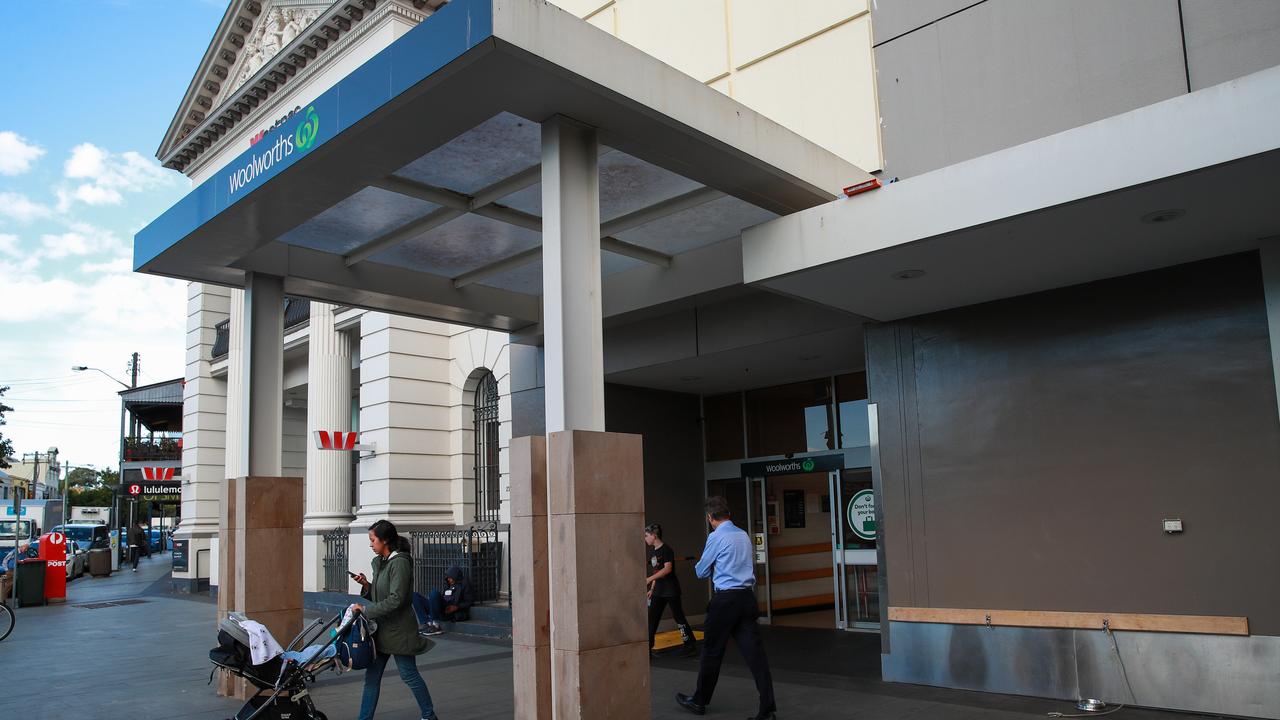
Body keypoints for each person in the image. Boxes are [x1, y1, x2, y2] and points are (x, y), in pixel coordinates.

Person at [676, 496, 776, 720]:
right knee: (756, 655)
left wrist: (707, 565)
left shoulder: (716, 537)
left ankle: (699, 701)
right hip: (746, 599)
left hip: (725, 601)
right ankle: (767, 707)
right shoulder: (743, 535)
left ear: (710, 517)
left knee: (712, 652)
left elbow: (701, 571)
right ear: (728, 514)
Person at [350, 519, 440, 720]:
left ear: (385, 540)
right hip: (380, 632)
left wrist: (365, 611)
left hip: (399, 632)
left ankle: (429, 715)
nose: (370, 544)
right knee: (371, 679)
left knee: (409, 675)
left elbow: (397, 599)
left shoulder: (399, 562)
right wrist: (366, 585)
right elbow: (381, 595)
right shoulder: (382, 562)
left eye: (373, 540)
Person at [645, 523, 697, 658]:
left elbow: (667, 569)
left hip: (670, 590)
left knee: (679, 617)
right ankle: (647, 648)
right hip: (658, 591)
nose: (645, 538)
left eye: (646, 535)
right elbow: (657, 570)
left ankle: (690, 645)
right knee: (652, 618)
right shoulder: (653, 551)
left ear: (654, 535)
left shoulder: (667, 550)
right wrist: (652, 587)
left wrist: (649, 579)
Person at [412, 565, 473, 636]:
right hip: (442, 606)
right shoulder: (447, 584)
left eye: (451, 578)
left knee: (434, 593)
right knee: (414, 595)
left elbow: (469, 602)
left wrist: (456, 607)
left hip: (449, 610)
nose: (449, 580)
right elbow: (444, 596)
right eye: (448, 578)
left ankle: (435, 625)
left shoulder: (464, 585)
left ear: (455, 577)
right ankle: (426, 623)